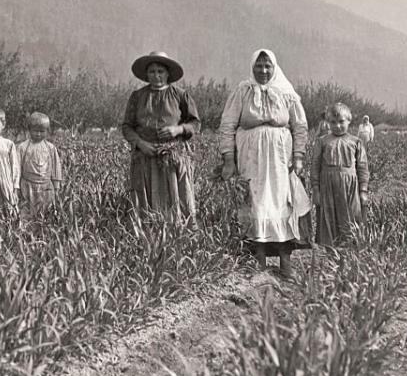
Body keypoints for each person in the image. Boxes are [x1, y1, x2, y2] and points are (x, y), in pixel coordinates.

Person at [219, 49, 311, 279]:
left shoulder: (286, 93)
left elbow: (300, 126)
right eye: (258, 66)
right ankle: (258, 260)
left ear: (274, 68)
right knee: (257, 203)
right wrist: (229, 158)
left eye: (267, 66)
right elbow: (227, 125)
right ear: (252, 68)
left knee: (283, 203)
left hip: (280, 158)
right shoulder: (243, 91)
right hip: (251, 156)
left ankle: (285, 262)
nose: (263, 70)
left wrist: (298, 156)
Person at [121, 51, 201, 221]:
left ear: (168, 74)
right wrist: (140, 143)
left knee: (176, 198)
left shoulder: (180, 95)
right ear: (147, 74)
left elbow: (195, 123)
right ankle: (145, 237)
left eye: (160, 71)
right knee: (145, 199)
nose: (156, 75)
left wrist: (177, 130)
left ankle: (178, 235)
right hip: (145, 156)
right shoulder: (138, 96)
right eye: (152, 71)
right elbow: (127, 126)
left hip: (172, 157)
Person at [312, 102, 369, 246]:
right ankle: (331, 257)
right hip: (328, 185)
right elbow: (315, 166)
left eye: (341, 122)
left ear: (349, 120)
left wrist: (363, 190)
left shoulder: (356, 142)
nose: (337, 126)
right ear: (327, 123)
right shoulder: (322, 141)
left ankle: (349, 256)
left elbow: (362, 167)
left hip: (350, 186)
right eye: (333, 122)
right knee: (328, 219)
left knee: (351, 217)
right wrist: (316, 190)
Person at [17, 112, 63, 214]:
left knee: (45, 213)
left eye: (42, 131)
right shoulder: (22, 147)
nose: (38, 134)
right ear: (29, 130)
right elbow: (17, 168)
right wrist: (17, 186)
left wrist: (56, 186)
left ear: (47, 131)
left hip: (45, 187)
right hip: (27, 186)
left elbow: (56, 168)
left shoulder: (50, 148)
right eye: (35, 131)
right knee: (27, 212)